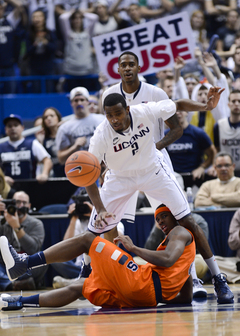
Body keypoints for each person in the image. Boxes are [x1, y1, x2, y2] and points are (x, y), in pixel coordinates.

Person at [86, 92, 231, 305]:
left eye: (118, 113)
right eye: (109, 115)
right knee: (92, 232)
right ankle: (86, 273)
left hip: (153, 171)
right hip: (120, 177)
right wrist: (99, 208)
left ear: (127, 109)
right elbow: (90, 175)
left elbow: (178, 103)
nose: (114, 119)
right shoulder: (100, 135)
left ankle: (218, 278)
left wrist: (205, 106)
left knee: (188, 221)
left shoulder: (145, 110)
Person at [0, 203, 196, 310]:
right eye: (158, 218)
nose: (161, 221)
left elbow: (168, 259)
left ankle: (24, 263)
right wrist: (157, 298)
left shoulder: (179, 232)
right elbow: (186, 297)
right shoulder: (185, 256)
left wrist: (134, 248)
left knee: (87, 239)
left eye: (164, 216)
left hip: (142, 282)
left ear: (176, 217)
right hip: (145, 297)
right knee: (80, 287)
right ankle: (18, 302)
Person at [0, 191, 46, 291]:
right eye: (17, 202)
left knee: (44, 262)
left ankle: (6, 283)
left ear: (29, 206)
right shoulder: (2, 222)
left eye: (24, 203)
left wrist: (17, 227)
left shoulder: (36, 224)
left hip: (27, 265)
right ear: (11, 203)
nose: (20, 206)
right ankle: (13, 285)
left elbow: (33, 249)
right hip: (5, 266)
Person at [166, 110, 216, 189]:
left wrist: (202, 167)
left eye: (181, 110)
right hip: (173, 178)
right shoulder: (165, 135)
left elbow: (212, 153)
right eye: (174, 111)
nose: (178, 113)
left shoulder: (198, 133)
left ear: (187, 112)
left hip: (194, 177)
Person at [56, 86, 105, 165]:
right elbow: (60, 158)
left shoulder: (101, 120)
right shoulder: (65, 128)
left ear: (87, 101)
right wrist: (74, 147)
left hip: (101, 168)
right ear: (71, 103)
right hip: (79, 170)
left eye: (82, 100)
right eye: (76, 100)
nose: (79, 103)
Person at [0, 114, 53, 185]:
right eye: (9, 126)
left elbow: (47, 160)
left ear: (22, 128)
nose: (13, 128)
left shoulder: (32, 144)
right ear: (5, 130)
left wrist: (44, 174)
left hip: (30, 187)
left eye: (16, 125)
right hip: (8, 189)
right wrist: (3, 178)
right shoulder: (1, 147)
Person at [214, 90, 240, 176]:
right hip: (225, 172)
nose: (236, 104)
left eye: (239, 101)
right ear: (228, 104)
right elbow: (217, 149)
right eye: (233, 101)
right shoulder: (219, 125)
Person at [42, 107, 65, 177]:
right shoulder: (45, 139)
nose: (49, 118)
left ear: (58, 117)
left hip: (69, 168)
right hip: (54, 173)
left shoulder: (66, 133)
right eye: (46, 117)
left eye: (52, 116)